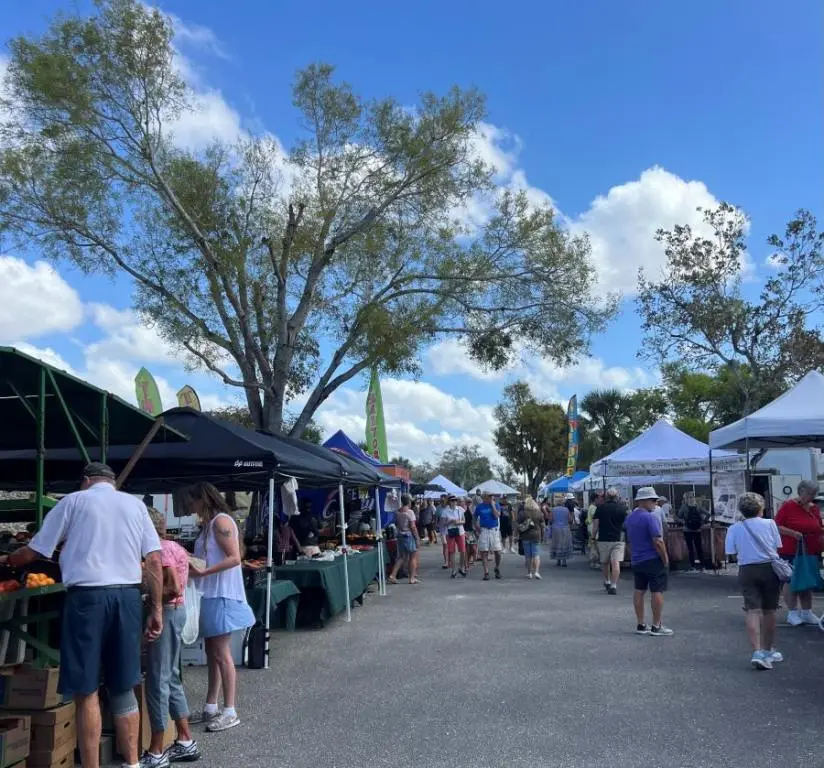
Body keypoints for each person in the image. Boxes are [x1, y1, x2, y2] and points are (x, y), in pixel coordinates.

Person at [3, 463, 163, 768]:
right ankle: (132, 763)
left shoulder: (73, 501)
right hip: (128, 597)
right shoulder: (135, 505)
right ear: (112, 482)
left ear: (86, 480)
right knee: (123, 685)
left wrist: (9, 559)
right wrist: (156, 610)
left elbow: (35, 551)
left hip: (86, 599)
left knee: (86, 689)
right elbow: (154, 560)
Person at [183, 482, 255, 732]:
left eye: (191, 502)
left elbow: (235, 557)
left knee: (222, 654)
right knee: (213, 653)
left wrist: (203, 571)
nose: (189, 507)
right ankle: (211, 706)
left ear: (201, 499)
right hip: (210, 595)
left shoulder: (221, 522)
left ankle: (230, 710)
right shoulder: (209, 526)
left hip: (222, 594)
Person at [142, 509, 199, 767]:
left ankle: (156, 750)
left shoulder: (159, 550)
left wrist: (150, 600)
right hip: (178, 611)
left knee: (157, 679)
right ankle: (185, 739)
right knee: (172, 676)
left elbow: (173, 586)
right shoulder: (175, 546)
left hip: (166, 610)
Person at [724, 493, 783, 670]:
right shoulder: (770, 524)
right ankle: (768, 649)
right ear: (761, 508)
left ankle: (757, 651)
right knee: (770, 610)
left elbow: (731, 552)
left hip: (746, 569)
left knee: (752, 609)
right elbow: (776, 546)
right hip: (769, 568)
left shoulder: (734, 528)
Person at [775, 479, 822, 627]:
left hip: (810, 549)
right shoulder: (788, 506)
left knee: (807, 580)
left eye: (814, 494)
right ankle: (792, 612)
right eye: (810, 493)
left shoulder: (814, 508)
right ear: (801, 491)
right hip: (791, 550)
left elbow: (818, 526)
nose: (812, 496)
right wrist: (792, 532)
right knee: (791, 580)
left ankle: (807, 612)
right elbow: (775, 525)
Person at [626, 487, 673, 636]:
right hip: (652, 558)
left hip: (637, 558)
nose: (655, 503)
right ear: (643, 501)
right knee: (657, 591)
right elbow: (658, 541)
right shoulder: (650, 517)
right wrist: (665, 558)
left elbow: (629, 540)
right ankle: (656, 625)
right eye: (653, 500)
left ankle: (640, 624)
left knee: (639, 590)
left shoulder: (630, 517)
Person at [592, 488, 627, 595]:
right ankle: (614, 585)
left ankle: (607, 580)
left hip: (603, 539)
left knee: (605, 562)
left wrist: (593, 537)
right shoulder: (622, 508)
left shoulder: (600, 508)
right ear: (616, 496)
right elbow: (625, 525)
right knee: (615, 563)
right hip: (618, 538)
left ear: (606, 496)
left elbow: (595, 525)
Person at [389, 494, 421, 585]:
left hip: (400, 536)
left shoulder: (397, 512)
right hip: (409, 536)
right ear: (409, 501)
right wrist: (417, 538)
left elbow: (395, 523)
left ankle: (393, 575)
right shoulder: (410, 512)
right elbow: (413, 527)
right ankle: (412, 578)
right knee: (413, 556)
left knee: (401, 557)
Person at [474, 492, 503, 580]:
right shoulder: (480, 507)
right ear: (484, 497)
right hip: (484, 530)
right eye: (489, 496)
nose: (491, 498)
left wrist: (493, 505)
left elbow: (496, 516)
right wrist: (476, 526)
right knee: (484, 552)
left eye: (491, 496)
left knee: (498, 552)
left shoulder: (496, 505)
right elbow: (474, 517)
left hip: (494, 530)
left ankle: (497, 567)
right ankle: (486, 572)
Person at [677, 493, 708, 571]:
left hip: (687, 530)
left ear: (686, 499)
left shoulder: (684, 507)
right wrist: (703, 522)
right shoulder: (698, 506)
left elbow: (678, 517)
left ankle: (692, 565)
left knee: (690, 548)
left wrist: (683, 522)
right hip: (697, 530)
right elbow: (708, 514)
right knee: (699, 547)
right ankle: (702, 565)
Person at [518, 497, 545, 579]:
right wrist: (543, 536)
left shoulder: (522, 513)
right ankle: (536, 572)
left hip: (525, 536)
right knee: (536, 554)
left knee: (528, 556)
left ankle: (529, 573)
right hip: (536, 536)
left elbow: (517, 525)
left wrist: (516, 535)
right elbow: (543, 526)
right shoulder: (539, 513)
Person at [441, 496, 467, 578]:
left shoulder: (460, 509)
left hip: (460, 531)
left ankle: (461, 567)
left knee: (463, 550)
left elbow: (464, 520)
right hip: (450, 532)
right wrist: (450, 521)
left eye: (455, 500)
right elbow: (443, 524)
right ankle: (453, 570)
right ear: (449, 501)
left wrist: (458, 522)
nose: (454, 502)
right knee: (452, 551)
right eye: (452, 500)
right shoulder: (445, 511)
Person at [550, 501, 574, 567]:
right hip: (565, 528)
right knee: (564, 544)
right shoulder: (566, 509)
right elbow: (570, 519)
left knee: (557, 543)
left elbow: (551, 519)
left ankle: (558, 560)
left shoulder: (553, 510)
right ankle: (564, 561)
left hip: (556, 528)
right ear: (563, 504)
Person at [586, 491, 605, 570]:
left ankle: (593, 562)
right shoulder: (594, 508)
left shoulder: (591, 507)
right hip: (593, 527)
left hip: (590, 527)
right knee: (596, 545)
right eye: (598, 499)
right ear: (595, 499)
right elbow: (596, 519)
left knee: (593, 545)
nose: (600, 500)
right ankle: (596, 562)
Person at [435, 494, 450, 569]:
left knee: (450, 545)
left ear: (446, 500)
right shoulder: (438, 508)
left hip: (450, 528)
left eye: (443, 500)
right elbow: (436, 517)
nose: (442, 501)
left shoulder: (449, 507)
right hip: (442, 529)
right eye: (441, 500)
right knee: (445, 544)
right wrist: (436, 526)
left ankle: (450, 560)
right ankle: (446, 561)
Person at [463, 502, 478, 567]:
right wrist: (464, 532)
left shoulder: (474, 511)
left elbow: (476, 521)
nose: (468, 504)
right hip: (467, 531)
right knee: (468, 548)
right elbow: (463, 523)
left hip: (473, 532)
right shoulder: (463, 512)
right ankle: (468, 561)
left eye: (470, 502)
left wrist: (477, 530)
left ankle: (474, 560)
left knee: (474, 548)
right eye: (467, 502)